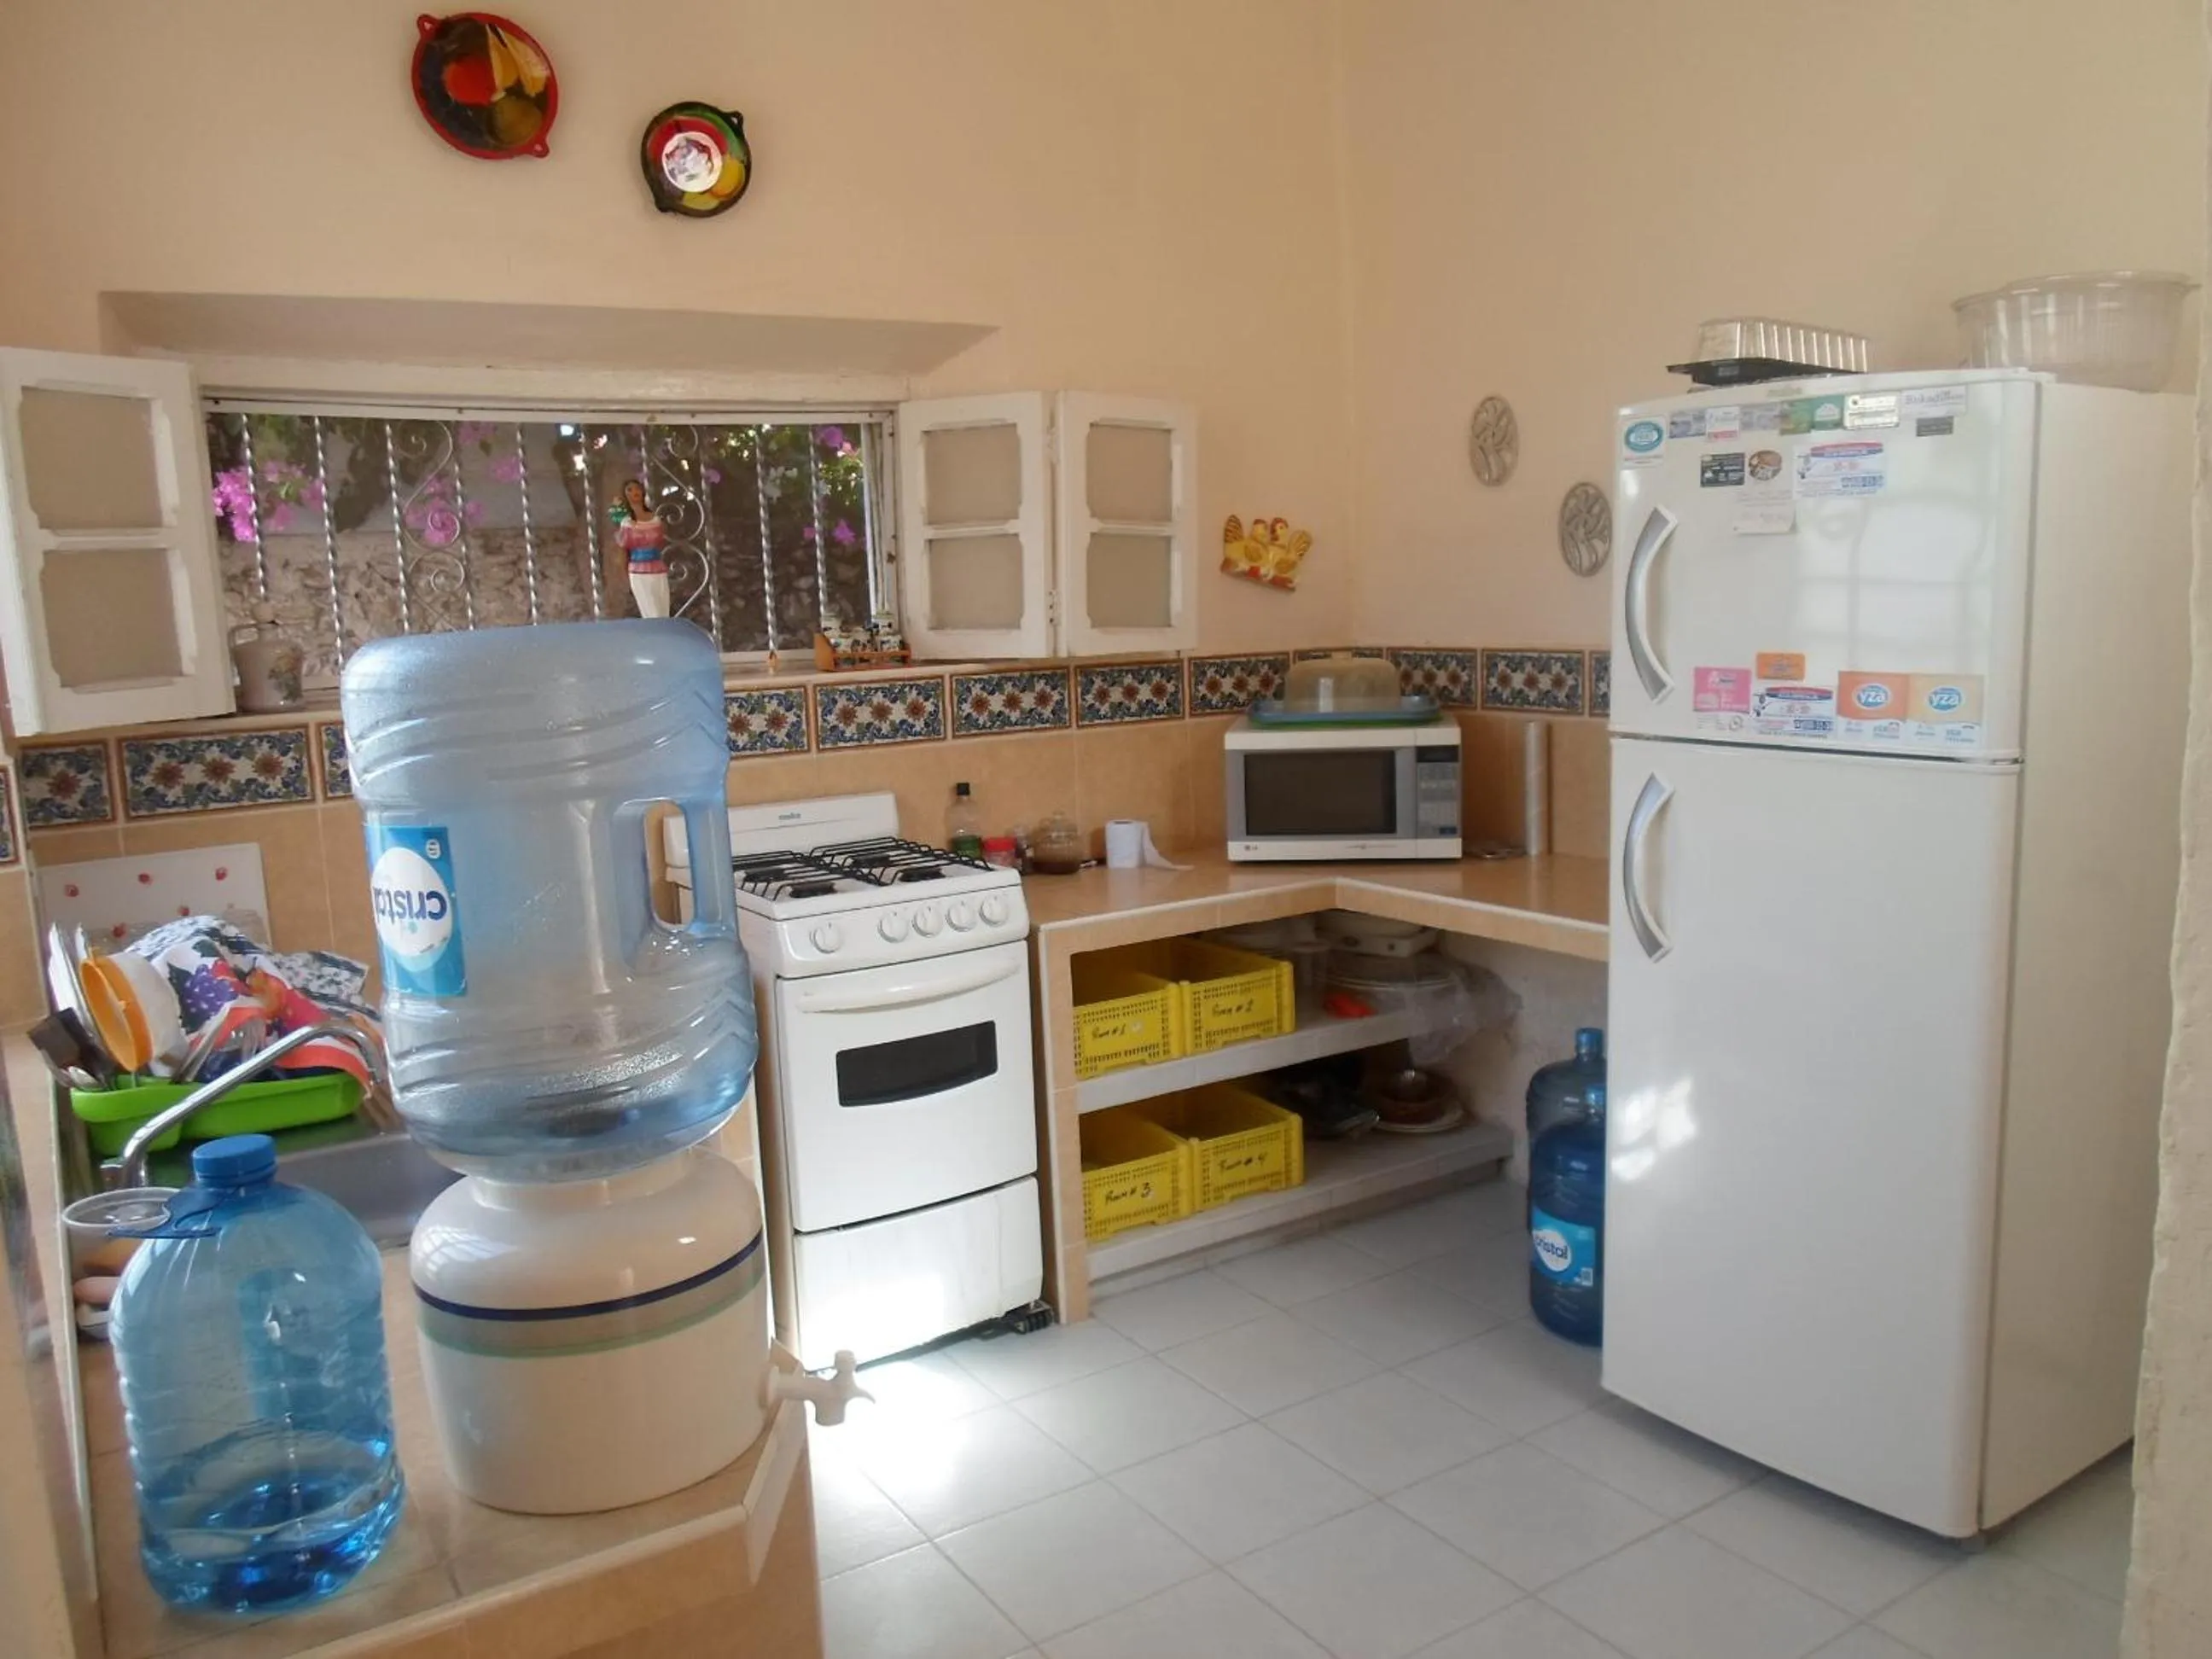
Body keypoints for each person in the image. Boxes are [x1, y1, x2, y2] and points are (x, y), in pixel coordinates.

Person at [609, 478, 670, 618]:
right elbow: (623, 550)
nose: (634, 492)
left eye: (637, 488)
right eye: (629, 490)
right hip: (639, 570)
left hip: (658, 569)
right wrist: (624, 574)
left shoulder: (655, 519)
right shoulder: (627, 522)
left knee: (663, 610)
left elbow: (660, 543)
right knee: (651, 612)